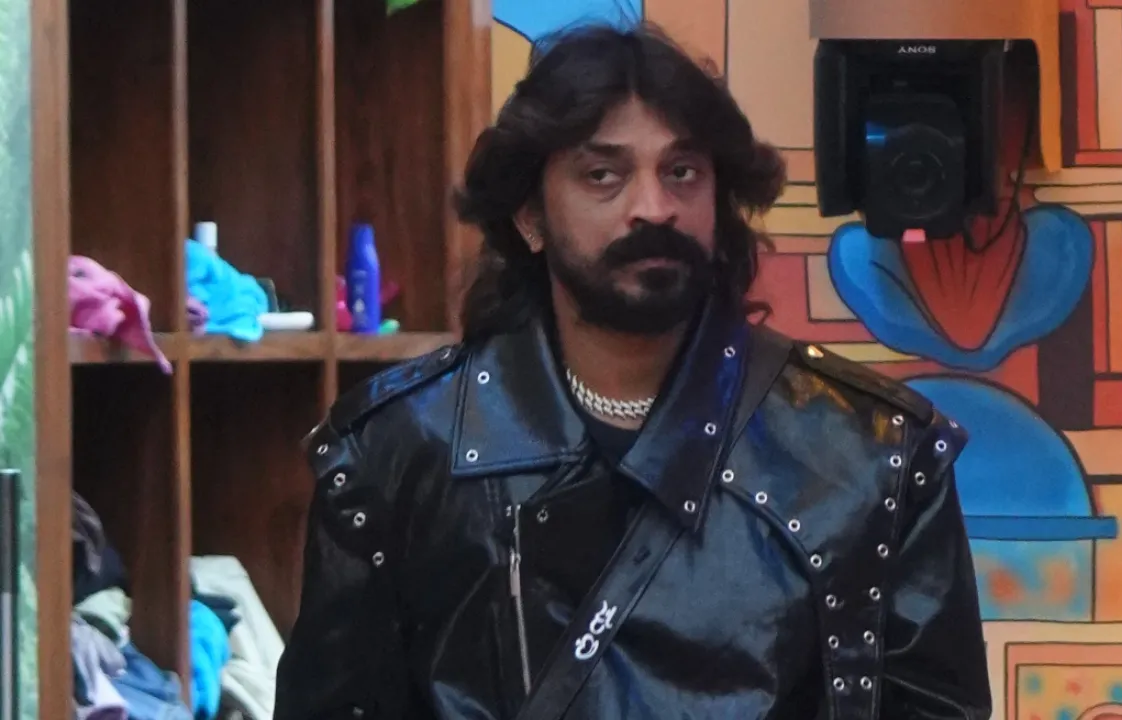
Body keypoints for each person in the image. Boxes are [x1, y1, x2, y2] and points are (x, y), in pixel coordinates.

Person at [275, 21, 991, 720]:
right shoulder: (399, 451)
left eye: (682, 173)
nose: (653, 208)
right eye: (603, 175)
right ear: (530, 216)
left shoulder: (870, 454)